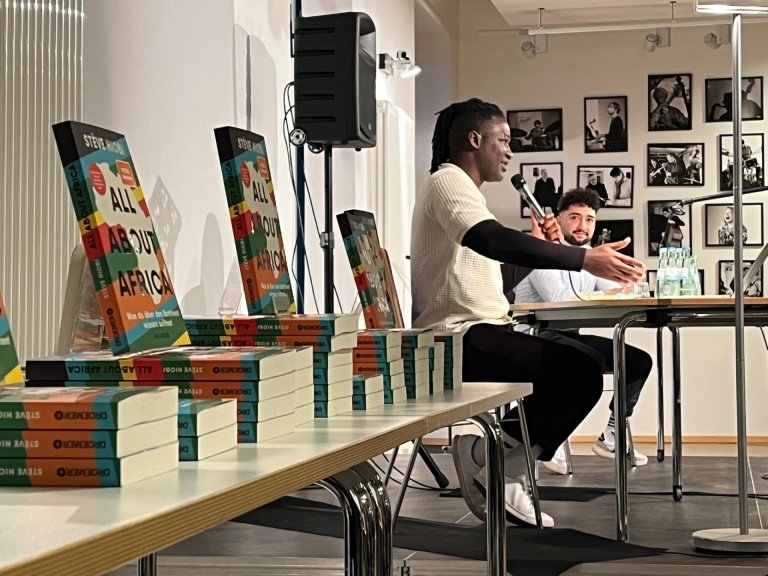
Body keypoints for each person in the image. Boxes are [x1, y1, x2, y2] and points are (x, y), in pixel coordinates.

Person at [411, 98, 645, 527]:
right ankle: (500, 466)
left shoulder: (466, 193)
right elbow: (493, 241)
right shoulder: (448, 182)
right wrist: (580, 257)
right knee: (578, 372)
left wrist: (556, 249)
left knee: (585, 367)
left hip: (480, 330)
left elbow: (492, 270)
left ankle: (490, 459)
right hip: (453, 338)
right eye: (503, 139)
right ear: (474, 139)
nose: (510, 151)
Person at [513, 189, 653, 471]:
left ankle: (612, 435)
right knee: (588, 363)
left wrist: (626, 283)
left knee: (638, 362)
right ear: (559, 220)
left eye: (590, 219)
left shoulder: (590, 257)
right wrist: (615, 290)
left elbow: (621, 291)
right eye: (574, 217)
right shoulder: (543, 252)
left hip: (567, 337)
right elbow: (559, 300)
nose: (582, 225)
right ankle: (546, 442)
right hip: (531, 337)